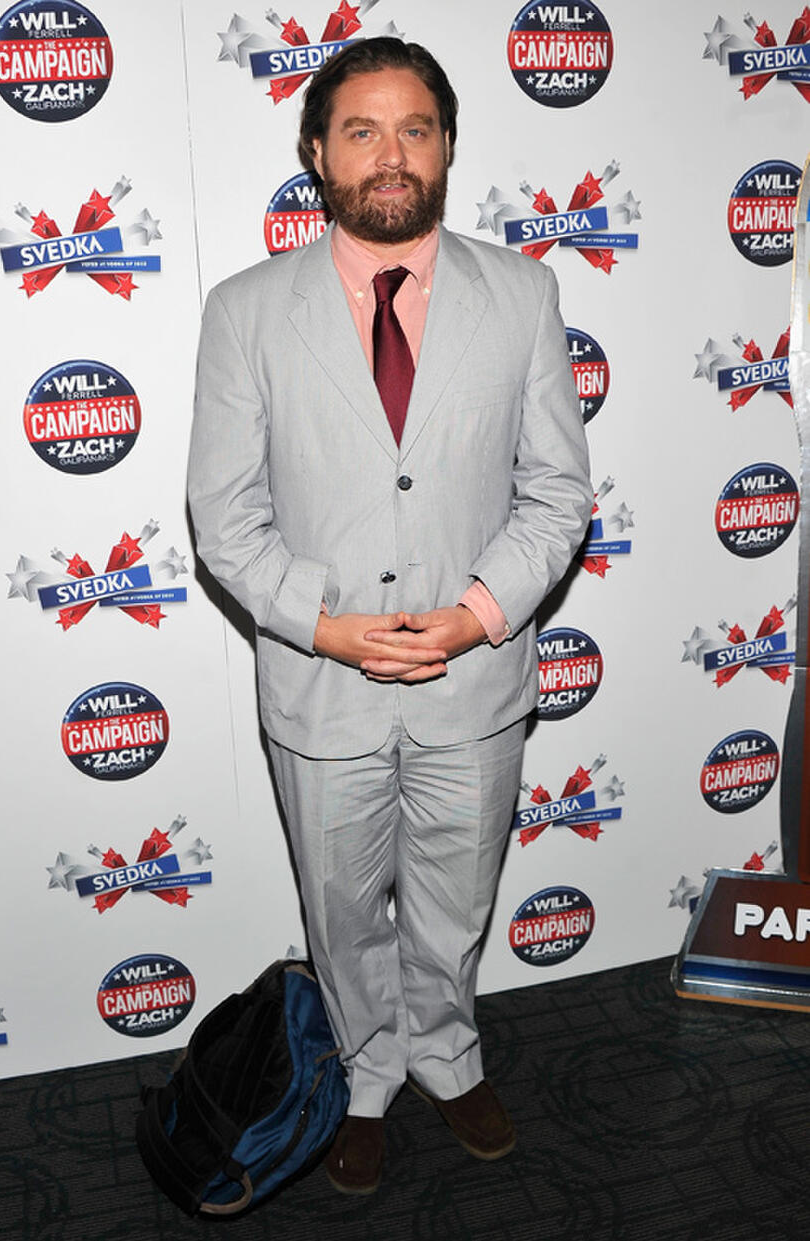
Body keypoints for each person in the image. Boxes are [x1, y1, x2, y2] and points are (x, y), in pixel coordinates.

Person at [188, 37, 592, 1195]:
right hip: (320, 683)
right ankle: (364, 1070)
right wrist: (323, 624)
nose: (389, 154)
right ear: (316, 151)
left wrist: (475, 614)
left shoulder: (522, 292)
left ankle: (446, 1053)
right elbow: (224, 514)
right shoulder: (246, 310)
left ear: (449, 145)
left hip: (476, 678)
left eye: (414, 127)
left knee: (456, 900)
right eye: (360, 130)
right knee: (341, 904)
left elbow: (558, 489)